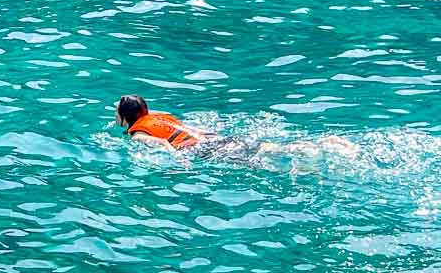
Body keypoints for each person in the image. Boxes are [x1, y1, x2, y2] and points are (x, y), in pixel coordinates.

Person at [115, 94, 361, 161]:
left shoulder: (137, 134)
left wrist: (181, 162)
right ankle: (321, 143)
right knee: (267, 148)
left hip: (200, 151)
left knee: (259, 159)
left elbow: (160, 144)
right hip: (213, 138)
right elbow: (191, 129)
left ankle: (316, 148)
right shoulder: (163, 117)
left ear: (125, 117)